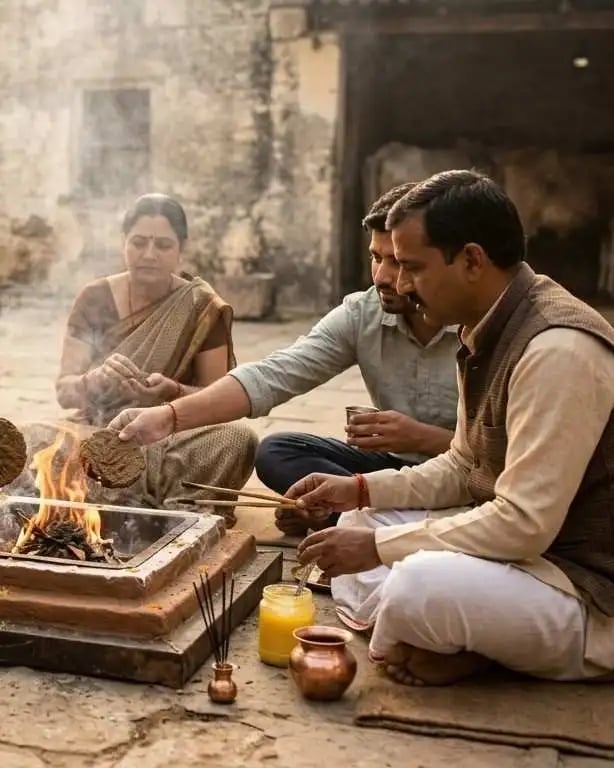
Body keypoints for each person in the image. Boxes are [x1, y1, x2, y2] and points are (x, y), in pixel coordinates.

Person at [288, 170, 614, 686]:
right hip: (520, 558)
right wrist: (358, 489)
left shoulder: (557, 348)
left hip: (583, 588)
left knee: (420, 583)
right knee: (358, 522)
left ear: (471, 260)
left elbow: (524, 524)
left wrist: (378, 551)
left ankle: (471, 639)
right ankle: (464, 641)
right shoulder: (484, 327)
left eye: (412, 267)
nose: (398, 284)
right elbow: (464, 467)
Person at [108, 183, 460, 535]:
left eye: (398, 262)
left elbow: (503, 459)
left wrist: (422, 438)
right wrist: (167, 417)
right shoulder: (363, 312)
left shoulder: (474, 318)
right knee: (277, 451)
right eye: (376, 258)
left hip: (469, 471)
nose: (383, 277)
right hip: (393, 470)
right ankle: (376, 515)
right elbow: (274, 375)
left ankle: (376, 519)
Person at [12, 194, 257, 524]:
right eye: (139, 242)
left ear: (182, 249)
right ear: (123, 243)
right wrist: (94, 380)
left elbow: (220, 399)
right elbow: (65, 391)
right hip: (97, 437)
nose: (149, 255)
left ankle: (140, 504)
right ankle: (146, 503)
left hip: (167, 437)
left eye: (163, 245)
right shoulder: (95, 298)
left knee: (237, 439)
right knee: (29, 436)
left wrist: (169, 392)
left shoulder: (201, 307)